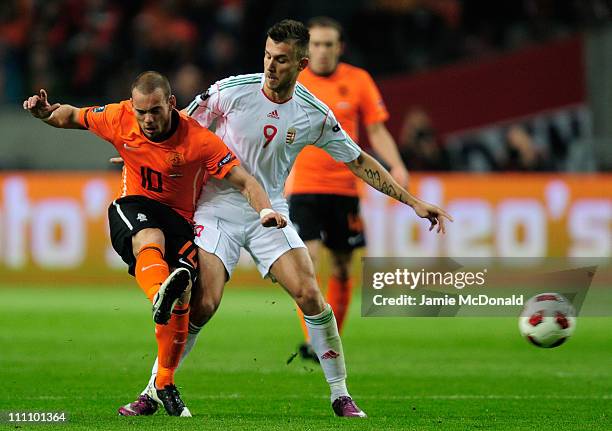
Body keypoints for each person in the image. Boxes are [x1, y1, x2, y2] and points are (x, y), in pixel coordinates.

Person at [122, 19, 451, 418]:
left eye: (280, 60)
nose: (270, 66)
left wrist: (411, 200)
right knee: (203, 305)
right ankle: (153, 390)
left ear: (301, 63)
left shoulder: (313, 114)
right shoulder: (230, 92)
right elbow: (180, 129)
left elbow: (358, 160)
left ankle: (340, 393)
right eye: (266, 56)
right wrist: (140, 151)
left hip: (271, 214)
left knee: (311, 294)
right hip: (217, 209)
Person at [22, 71, 286, 417]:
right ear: (132, 107)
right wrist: (45, 113)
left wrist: (266, 209)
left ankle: (164, 381)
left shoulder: (200, 140)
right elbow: (71, 115)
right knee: (151, 240)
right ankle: (160, 290)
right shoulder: (118, 117)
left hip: (180, 221)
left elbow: (244, 180)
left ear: (171, 104)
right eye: (141, 111)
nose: (147, 119)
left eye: (155, 111)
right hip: (135, 205)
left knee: (187, 293)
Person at [284, 17, 410, 361]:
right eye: (316, 45)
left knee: (341, 267)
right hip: (303, 187)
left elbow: (377, 131)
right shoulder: (294, 80)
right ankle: (314, 340)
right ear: (306, 49)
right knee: (306, 263)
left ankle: (331, 339)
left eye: (329, 45)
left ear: (340, 47)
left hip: (344, 188)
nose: (322, 51)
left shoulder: (358, 80)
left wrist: (395, 165)